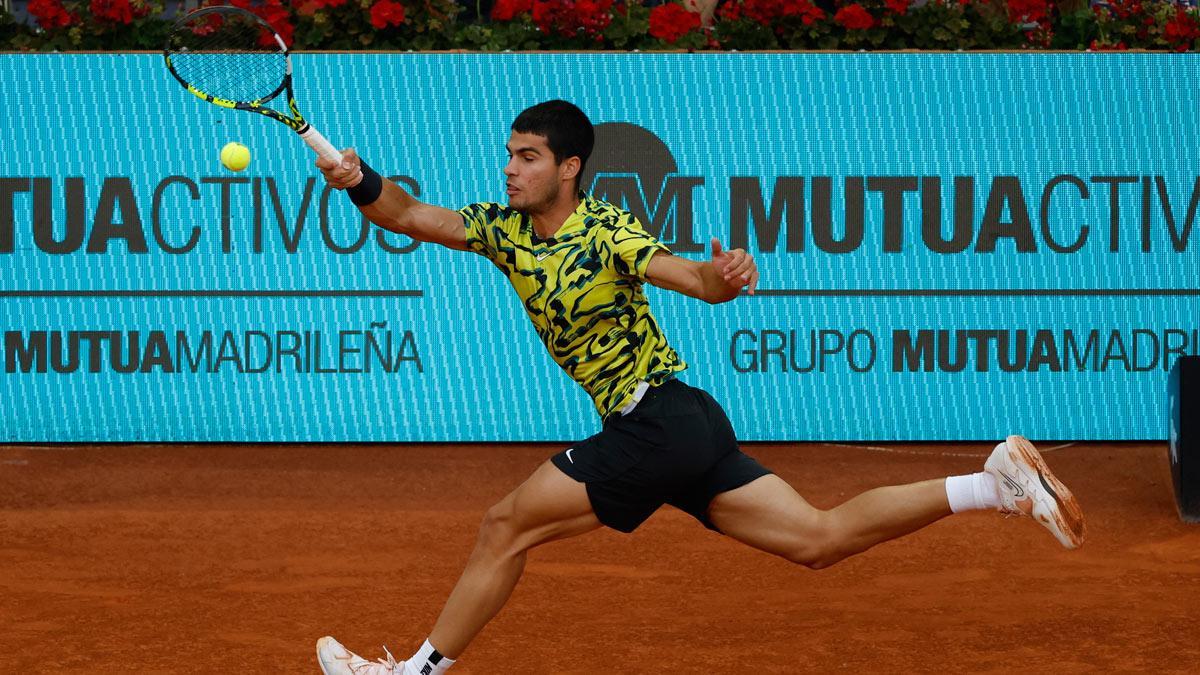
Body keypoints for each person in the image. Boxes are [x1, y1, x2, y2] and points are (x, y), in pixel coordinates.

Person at [312, 100, 1086, 675]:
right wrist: (357, 179)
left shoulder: (607, 230)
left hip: (657, 422)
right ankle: (993, 483)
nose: (509, 167)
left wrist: (722, 278)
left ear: (569, 167)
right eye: (508, 154)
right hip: (683, 424)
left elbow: (689, 277)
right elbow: (409, 212)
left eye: (526, 156)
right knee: (817, 540)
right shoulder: (501, 228)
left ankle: (412, 672)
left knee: (505, 524)